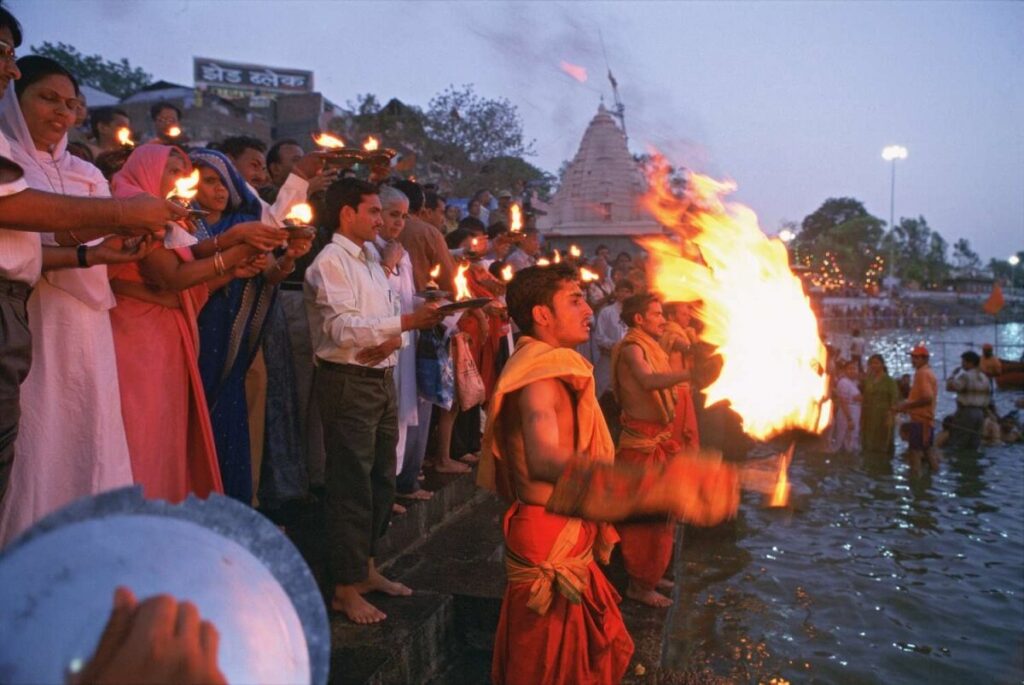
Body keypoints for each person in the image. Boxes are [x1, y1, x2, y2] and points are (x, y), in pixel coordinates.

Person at [477, 264, 739, 685]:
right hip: (549, 538)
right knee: (548, 668)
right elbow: (545, 460)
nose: (588, 309)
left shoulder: (551, 368)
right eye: (574, 300)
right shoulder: (540, 381)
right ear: (542, 315)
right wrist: (658, 485)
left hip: (561, 529)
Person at [0, 6, 185, 508]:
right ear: (14, 100)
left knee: (88, 430)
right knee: (38, 436)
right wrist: (122, 214)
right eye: (47, 99)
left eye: (71, 103)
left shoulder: (83, 170)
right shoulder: (10, 160)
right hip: (33, 313)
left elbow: (72, 238)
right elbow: (22, 222)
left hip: (85, 318)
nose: (62, 113)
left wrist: (109, 247)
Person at [304, 178, 444, 624]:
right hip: (348, 381)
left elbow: (380, 322)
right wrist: (405, 322)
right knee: (350, 484)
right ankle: (344, 587)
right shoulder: (330, 262)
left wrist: (400, 333)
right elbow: (343, 330)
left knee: (382, 478)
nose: (381, 221)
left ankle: (365, 569)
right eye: (373, 212)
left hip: (378, 378)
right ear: (347, 213)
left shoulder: (369, 258)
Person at [108, 145, 275, 503]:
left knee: (167, 437)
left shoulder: (162, 213)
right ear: (149, 170)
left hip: (166, 338)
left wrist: (233, 249)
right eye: (172, 172)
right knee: (142, 436)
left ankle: (163, 523)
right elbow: (169, 276)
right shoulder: (134, 208)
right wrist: (237, 252)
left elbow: (189, 256)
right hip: (138, 340)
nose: (180, 182)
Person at [610, 294, 693, 607]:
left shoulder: (652, 345)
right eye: (657, 315)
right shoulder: (633, 348)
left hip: (657, 440)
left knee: (662, 518)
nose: (663, 319)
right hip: (640, 447)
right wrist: (689, 374)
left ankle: (651, 575)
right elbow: (647, 380)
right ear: (639, 320)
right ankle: (639, 585)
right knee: (645, 522)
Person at [374, 185, 429, 504]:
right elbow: (372, 299)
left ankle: (390, 489)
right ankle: (382, 493)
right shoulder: (371, 251)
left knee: (400, 416)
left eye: (404, 217)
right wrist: (387, 263)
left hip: (405, 341)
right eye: (393, 214)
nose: (399, 223)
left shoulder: (401, 251)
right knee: (386, 422)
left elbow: (405, 299)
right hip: (382, 344)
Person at [660, 301, 700, 449]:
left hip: (684, 389)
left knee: (684, 438)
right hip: (674, 392)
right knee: (676, 436)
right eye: (684, 314)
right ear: (671, 316)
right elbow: (687, 348)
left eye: (688, 313)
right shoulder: (670, 331)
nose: (688, 317)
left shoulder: (685, 332)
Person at [894, 345, 939, 471]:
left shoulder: (922, 374)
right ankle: (932, 478)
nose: (913, 360)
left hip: (920, 420)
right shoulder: (929, 372)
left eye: (916, 358)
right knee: (928, 451)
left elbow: (927, 398)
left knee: (914, 453)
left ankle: (915, 482)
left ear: (925, 359)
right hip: (927, 420)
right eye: (912, 357)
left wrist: (905, 406)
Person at [593, 279, 634, 397]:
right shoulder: (607, 312)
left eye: (627, 292)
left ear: (632, 294)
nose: (623, 295)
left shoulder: (635, 313)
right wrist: (615, 345)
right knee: (601, 388)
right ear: (615, 293)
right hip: (609, 357)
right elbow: (599, 336)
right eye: (620, 291)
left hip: (628, 359)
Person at [945, 350, 990, 451]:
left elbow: (950, 387)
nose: (962, 364)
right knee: (974, 443)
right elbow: (988, 398)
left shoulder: (965, 376)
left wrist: (952, 375)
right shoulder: (984, 378)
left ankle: (960, 464)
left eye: (963, 362)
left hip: (966, 412)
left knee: (959, 440)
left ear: (970, 363)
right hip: (980, 413)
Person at [860, 353, 900, 456]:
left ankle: (883, 466)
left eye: (876, 363)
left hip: (884, 415)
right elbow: (865, 396)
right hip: (869, 415)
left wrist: (891, 415)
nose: (874, 366)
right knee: (868, 440)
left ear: (882, 364)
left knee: (883, 441)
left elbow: (894, 399)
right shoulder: (868, 380)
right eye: (872, 363)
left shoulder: (889, 381)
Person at [830, 361, 862, 453]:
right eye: (850, 368)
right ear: (845, 370)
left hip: (854, 411)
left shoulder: (853, 383)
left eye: (855, 369)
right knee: (845, 437)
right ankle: (843, 461)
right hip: (847, 413)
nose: (853, 371)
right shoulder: (843, 382)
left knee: (852, 437)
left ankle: (848, 460)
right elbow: (843, 401)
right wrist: (849, 419)